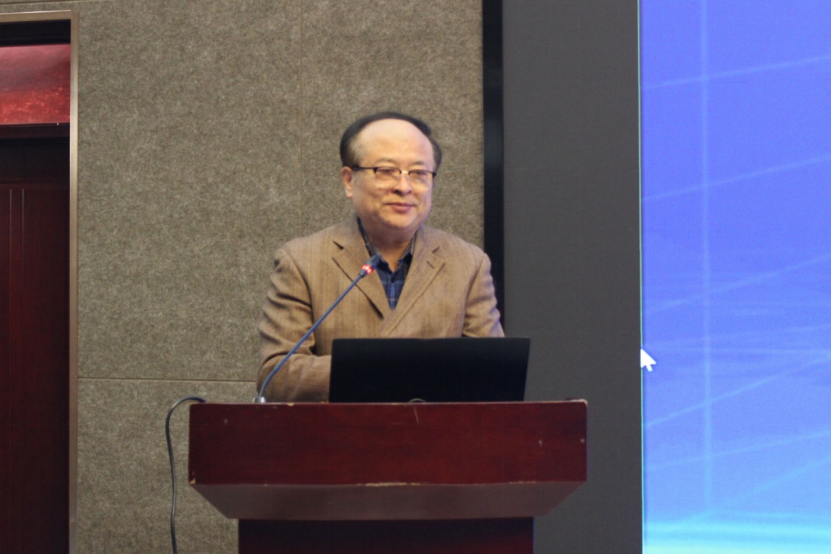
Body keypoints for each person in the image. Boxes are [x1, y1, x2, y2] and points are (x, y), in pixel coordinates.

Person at [257, 112, 503, 401]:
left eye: (419, 173)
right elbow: (278, 376)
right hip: (340, 430)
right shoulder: (302, 260)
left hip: (433, 430)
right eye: (386, 170)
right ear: (349, 181)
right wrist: (395, 371)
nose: (404, 186)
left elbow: (494, 377)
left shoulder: (468, 263)